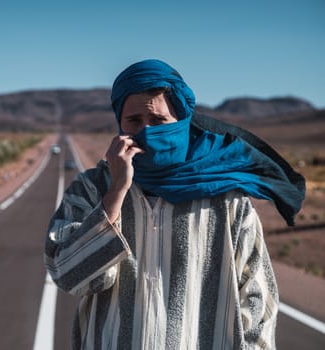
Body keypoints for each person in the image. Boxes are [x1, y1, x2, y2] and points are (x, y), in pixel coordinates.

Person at [44, 59, 305, 349]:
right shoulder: (91, 189)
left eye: (158, 121)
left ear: (181, 121)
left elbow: (258, 301)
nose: (146, 131)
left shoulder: (226, 199)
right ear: (120, 122)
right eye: (134, 121)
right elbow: (70, 276)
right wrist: (116, 193)